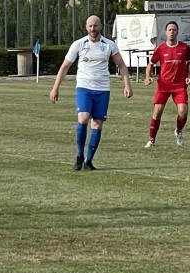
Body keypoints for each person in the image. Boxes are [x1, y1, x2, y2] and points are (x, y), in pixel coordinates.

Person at [48, 15, 132, 170]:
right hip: (84, 87)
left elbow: (121, 65)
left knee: (97, 124)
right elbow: (65, 66)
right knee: (83, 117)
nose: (93, 29)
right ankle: (79, 155)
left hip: (102, 89)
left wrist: (127, 85)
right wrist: (55, 87)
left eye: (95, 26)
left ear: (101, 26)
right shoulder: (79, 44)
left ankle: (89, 161)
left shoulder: (109, 45)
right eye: (90, 26)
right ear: (86, 27)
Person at [143, 21, 190, 147]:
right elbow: (151, 64)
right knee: (158, 111)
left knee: (183, 111)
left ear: (177, 32)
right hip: (163, 85)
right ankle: (151, 139)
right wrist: (148, 76)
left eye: (174, 30)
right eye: (169, 30)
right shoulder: (160, 49)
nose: (172, 32)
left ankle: (178, 131)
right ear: (165, 32)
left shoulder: (184, 47)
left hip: (180, 85)